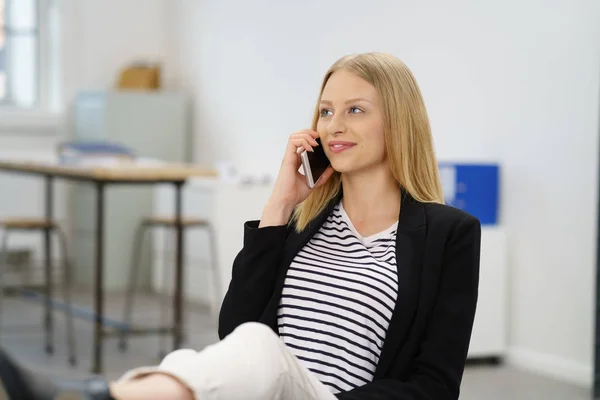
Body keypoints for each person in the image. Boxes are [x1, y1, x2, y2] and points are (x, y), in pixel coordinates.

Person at [0, 52, 481, 400]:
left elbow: (435, 385)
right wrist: (279, 204)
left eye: (356, 109)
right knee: (229, 354)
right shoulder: (302, 222)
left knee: (260, 349)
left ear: (398, 122)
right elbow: (234, 330)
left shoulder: (448, 234)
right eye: (326, 110)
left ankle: (93, 398)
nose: (334, 125)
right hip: (265, 389)